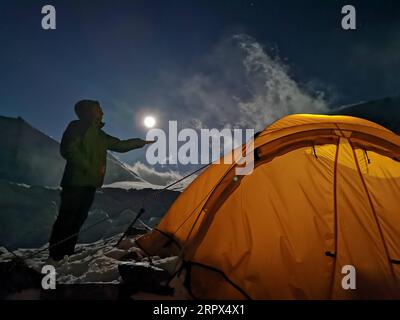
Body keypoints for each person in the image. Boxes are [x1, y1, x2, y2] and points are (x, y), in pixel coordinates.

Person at [48, 100, 153, 261]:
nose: (102, 113)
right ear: (88, 112)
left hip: (90, 183)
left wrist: (140, 142)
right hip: (75, 181)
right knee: (67, 218)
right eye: (98, 110)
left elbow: (120, 145)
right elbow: (69, 149)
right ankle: (56, 255)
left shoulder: (100, 135)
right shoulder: (76, 126)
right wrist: (88, 167)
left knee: (78, 219)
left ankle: (66, 253)